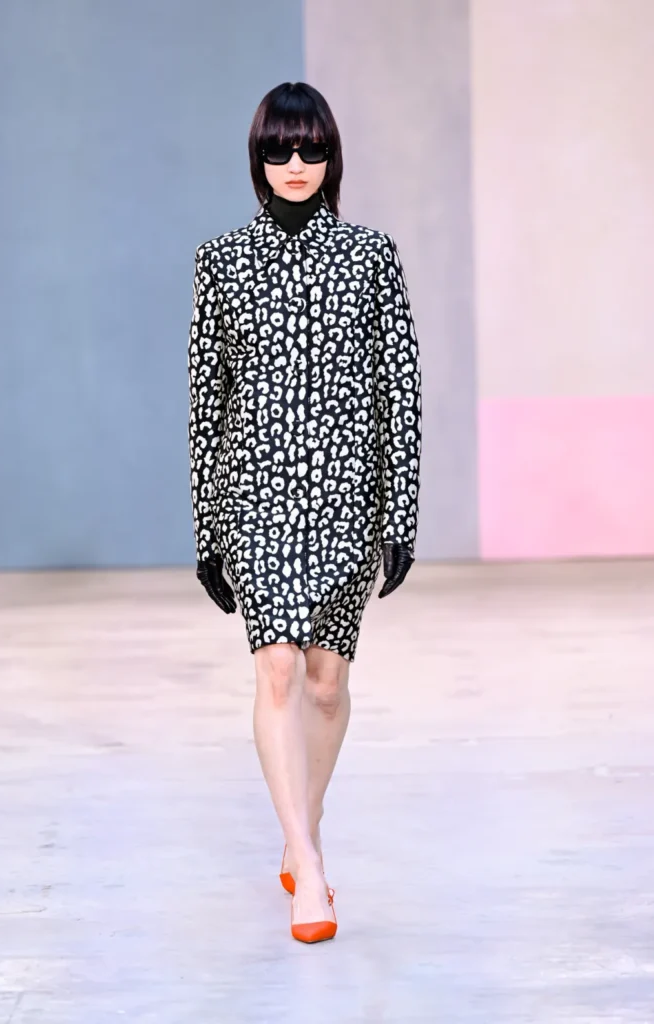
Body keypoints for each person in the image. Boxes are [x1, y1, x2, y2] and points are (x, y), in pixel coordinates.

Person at [188, 82, 422, 943]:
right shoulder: (221, 261)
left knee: (326, 684)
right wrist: (208, 531)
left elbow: (400, 390)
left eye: (310, 148)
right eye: (278, 149)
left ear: (331, 156)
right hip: (255, 495)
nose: (295, 164)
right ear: (257, 158)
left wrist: (401, 515)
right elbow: (208, 403)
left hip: (346, 499)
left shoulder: (371, 257)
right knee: (279, 671)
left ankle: (300, 832)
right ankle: (311, 874)